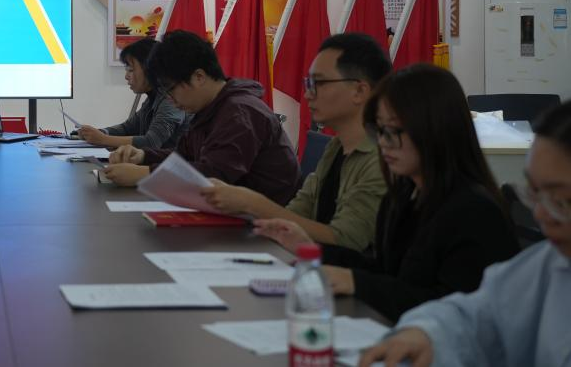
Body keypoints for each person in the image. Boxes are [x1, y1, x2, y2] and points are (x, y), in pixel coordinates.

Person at [255, 64, 519, 321]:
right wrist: (312, 249)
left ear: (434, 128)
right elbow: (387, 272)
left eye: (393, 131)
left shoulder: (473, 211)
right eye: (379, 130)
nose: (383, 142)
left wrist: (356, 282)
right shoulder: (404, 196)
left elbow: (450, 310)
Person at [358, 100, 571, 367]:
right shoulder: (547, 265)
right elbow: (475, 315)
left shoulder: (471, 209)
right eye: (534, 192)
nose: (540, 215)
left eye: (562, 201)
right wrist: (425, 334)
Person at [199, 33, 390, 252]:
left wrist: (252, 203)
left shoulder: (384, 158)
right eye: (308, 83)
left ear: (359, 91)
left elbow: (346, 241)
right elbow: (298, 214)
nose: (308, 95)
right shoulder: (336, 147)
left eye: (318, 83)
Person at [102, 30, 300, 205]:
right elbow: (184, 156)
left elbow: (215, 175)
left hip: (266, 222)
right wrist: (143, 156)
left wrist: (143, 174)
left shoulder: (239, 112)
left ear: (199, 77)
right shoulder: (208, 108)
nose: (170, 100)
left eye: (171, 89)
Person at [77, 38, 186, 151]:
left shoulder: (171, 100)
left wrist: (102, 139)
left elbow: (151, 142)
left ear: (150, 69)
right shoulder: (152, 98)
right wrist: (99, 132)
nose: (126, 76)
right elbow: (127, 128)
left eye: (130, 70)